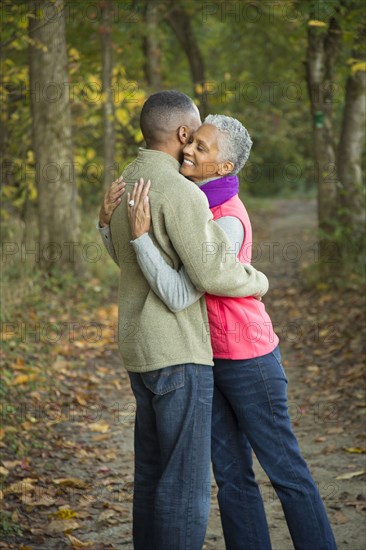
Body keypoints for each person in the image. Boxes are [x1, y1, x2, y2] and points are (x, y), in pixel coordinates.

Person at [105, 114, 337, 550]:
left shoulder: (226, 218)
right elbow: (150, 273)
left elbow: (187, 287)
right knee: (231, 476)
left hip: (249, 359)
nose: (189, 150)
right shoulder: (188, 205)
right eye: (191, 141)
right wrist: (111, 228)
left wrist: (257, 280)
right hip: (206, 358)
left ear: (224, 168)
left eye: (203, 148)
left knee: (285, 470)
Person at [97, 91, 269, 550]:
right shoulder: (179, 191)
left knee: (151, 474)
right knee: (185, 486)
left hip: (137, 349)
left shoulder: (125, 181)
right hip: (177, 352)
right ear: (180, 133)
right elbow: (211, 272)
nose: (193, 147)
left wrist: (102, 225)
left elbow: (125, 259)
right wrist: (257, 281)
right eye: (192, 136)